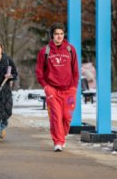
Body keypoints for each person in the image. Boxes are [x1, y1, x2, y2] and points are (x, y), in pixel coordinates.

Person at [35, 23, 79, 152]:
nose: (59, 36)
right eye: (56, 34)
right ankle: (58, 141)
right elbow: (39, 72)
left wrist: (75, 86)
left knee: (67, 116)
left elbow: (75, 70)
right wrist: (46, 86)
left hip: (69, 89)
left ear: (64, 35)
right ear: (52, 36)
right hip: (52, 89)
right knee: (56, 115)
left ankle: (62, 136)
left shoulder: (70, 49)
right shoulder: (45, 51)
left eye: (61, 34)